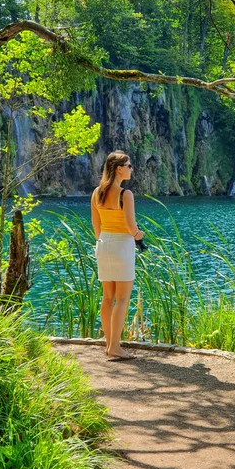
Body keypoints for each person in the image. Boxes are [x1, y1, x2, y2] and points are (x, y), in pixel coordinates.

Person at [91, 151, 145, 361]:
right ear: (118, 169)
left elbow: (96, 226)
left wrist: (104, 241)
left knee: (107, 297)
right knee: (122, 299)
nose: (132, 169)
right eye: (129, 166)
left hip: (103, 244)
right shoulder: (125, 194)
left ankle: (109, 344)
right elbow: (131, 227)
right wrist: (139, 235)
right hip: (122, 246)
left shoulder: (97, 192)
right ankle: (115, 347)